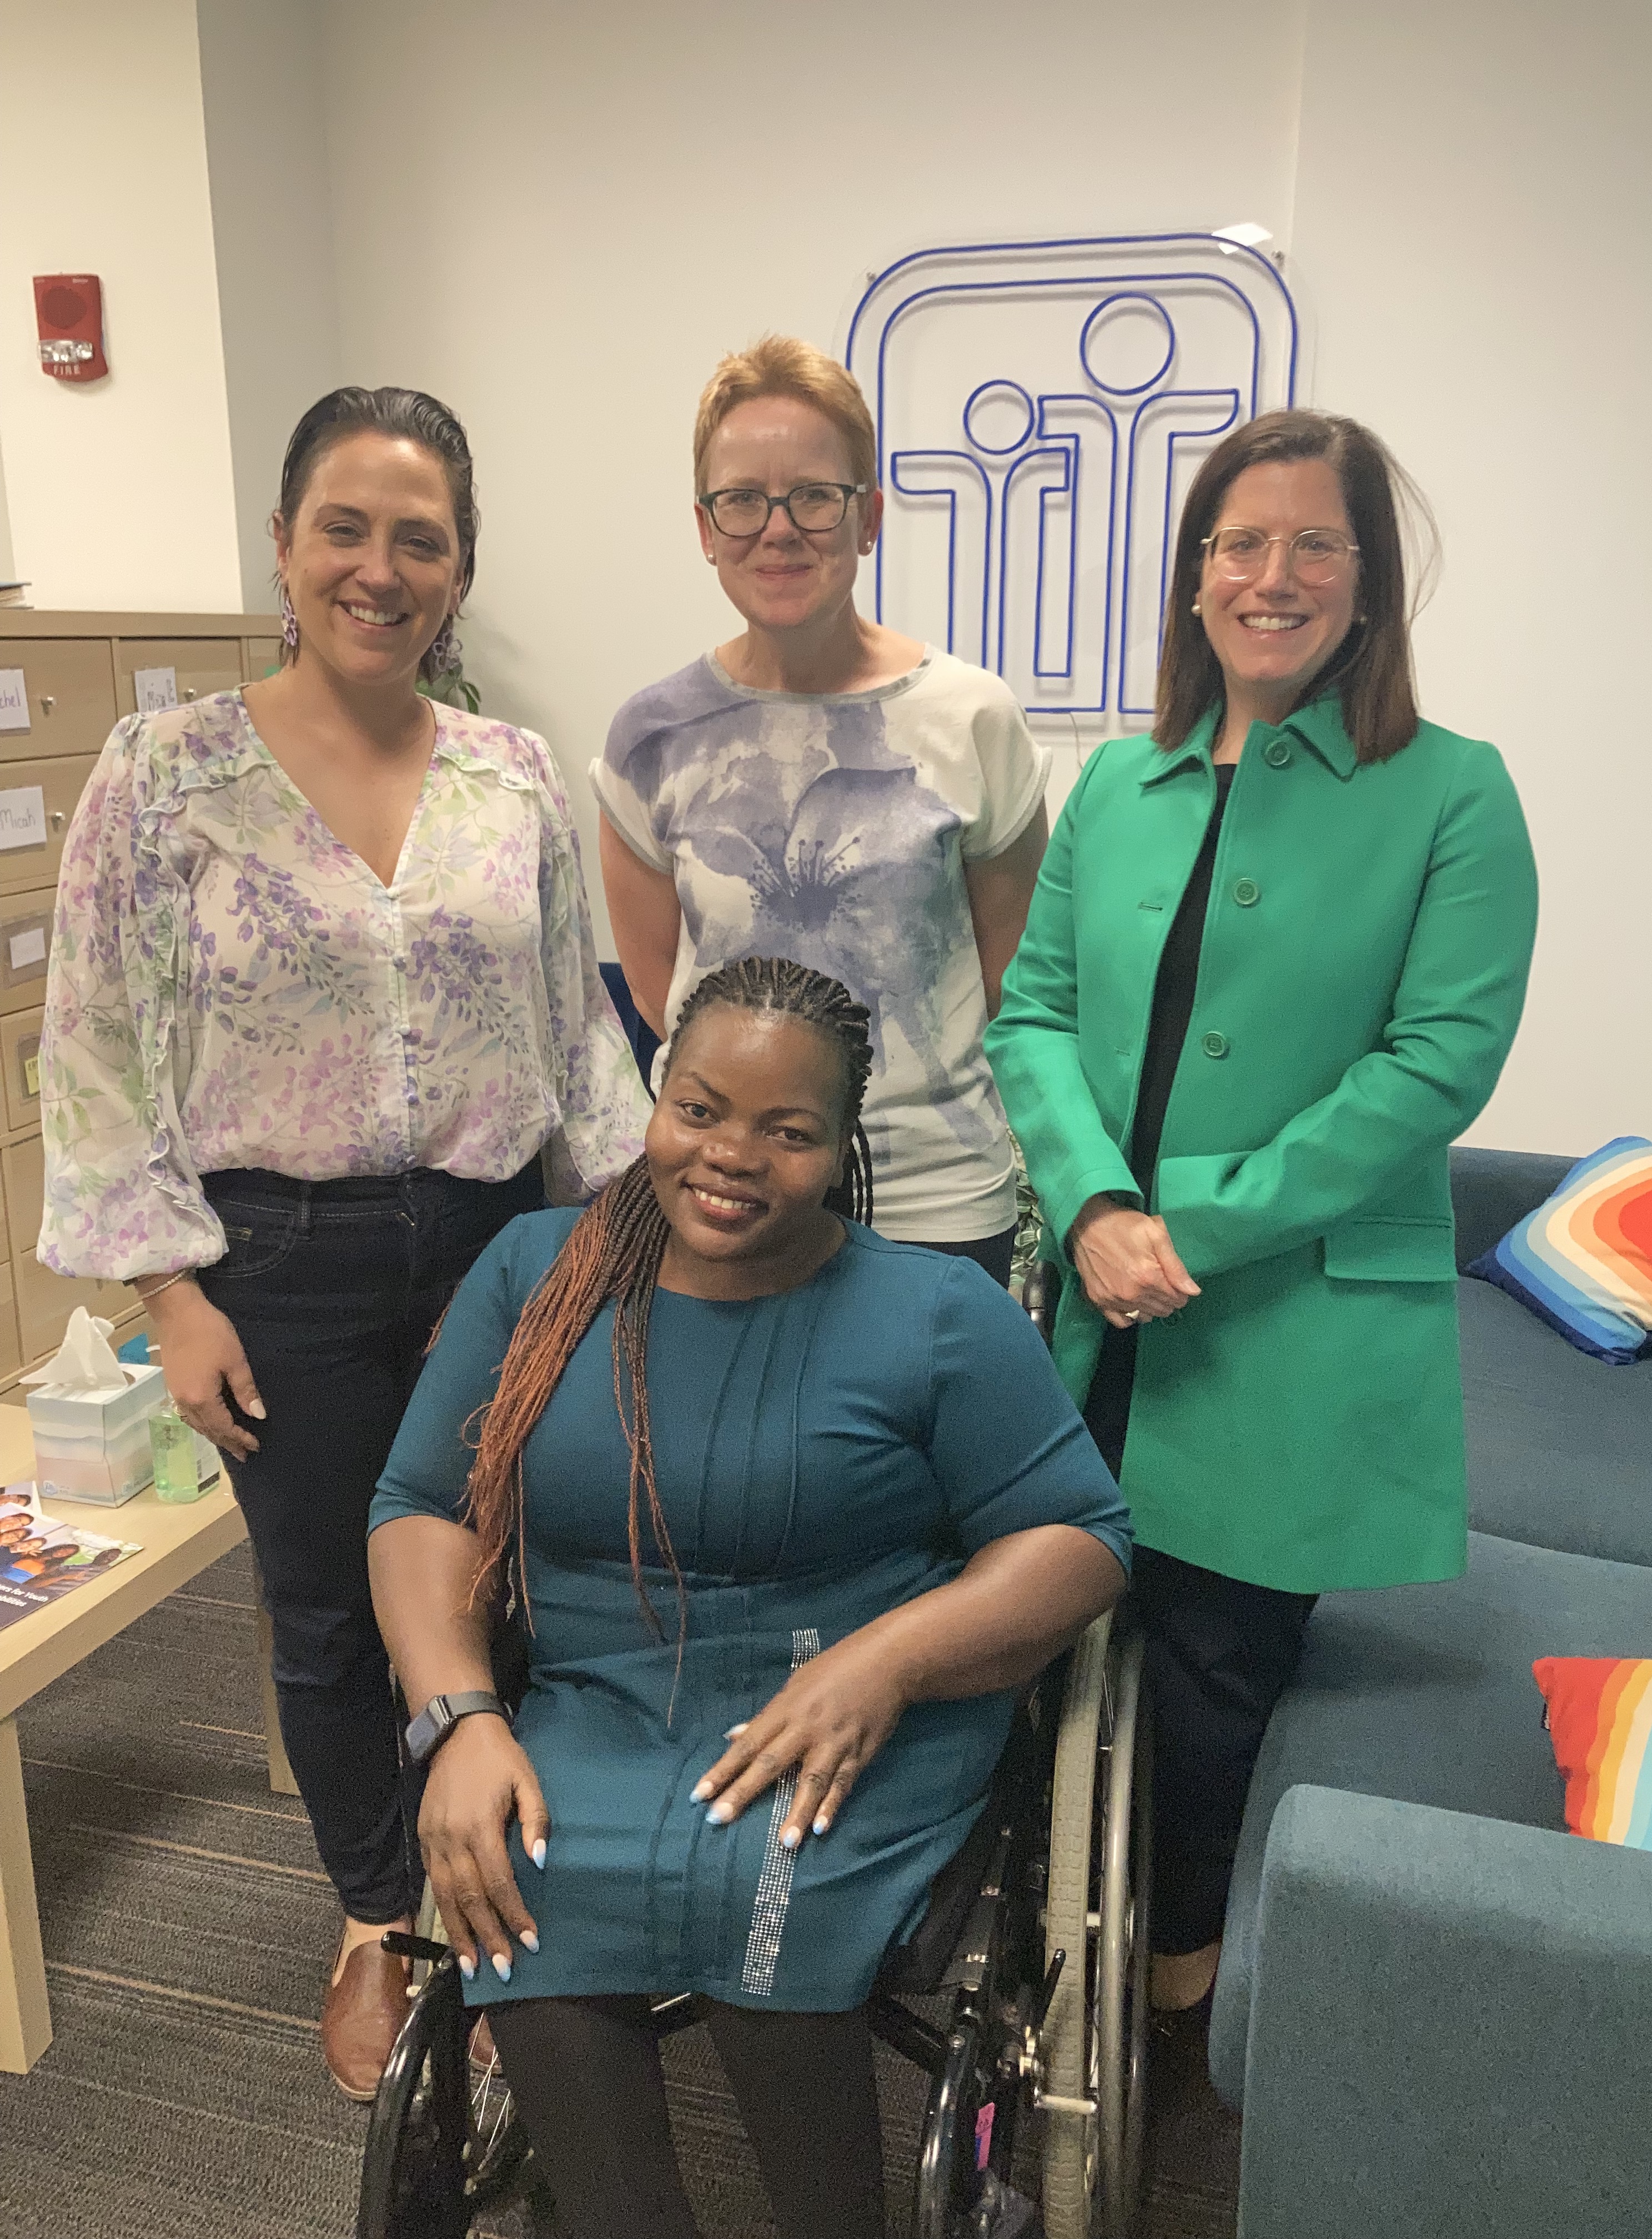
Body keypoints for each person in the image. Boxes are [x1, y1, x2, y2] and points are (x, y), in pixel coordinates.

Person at [37, 385, 649, 2099]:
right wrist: (169, 1291)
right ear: (287, 545)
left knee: (491, 1574)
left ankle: (494, 1857)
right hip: (270, 1266)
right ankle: (382, 1912)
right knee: (321, 1605)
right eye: (346, 529)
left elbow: (576, 1037)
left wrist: (621, 1249)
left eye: (422, 539)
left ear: (461, 571)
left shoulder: (514, 776)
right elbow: (90, 1044)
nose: (382, 569)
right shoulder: (163, 775)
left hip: (488, 1247)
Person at [369, 956, 1130, 2239]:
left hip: (856, 1701)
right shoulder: (538, 1274)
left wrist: (888, 1662)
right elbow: (424, 1509)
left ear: (842, 1149)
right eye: (702, 1108)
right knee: (517, 1872)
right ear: (655, 1098)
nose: (732, 1155)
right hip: (597, 1695)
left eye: (789, 1130)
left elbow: (1081, 1538)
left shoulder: (932, 1312)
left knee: (769, 1883)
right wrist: (461, 1720)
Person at [986, 409, 1539, 2021]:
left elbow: (1437, 1067)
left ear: (1369, 583)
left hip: (1285, 1307)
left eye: (1314, 544)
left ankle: (1177, 1971)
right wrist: (1092, 1201)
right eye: (1239, 542)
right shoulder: (1118, 784)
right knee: (1032, 1613)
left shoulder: (1450, 794)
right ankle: (1021, 1922)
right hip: (1093, 1294)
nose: (1271, 574)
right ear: (1195, 574)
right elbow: (1029, 1016)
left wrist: (1196, 1224)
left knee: (1219, 1671)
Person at [592, 336, 1049, 1287]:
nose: (779, 528)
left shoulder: (970, 719)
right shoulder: (652, 736)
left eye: (815, 495)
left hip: (933, 1194)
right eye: (743, 500)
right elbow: (657, 992)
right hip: (728, 1197)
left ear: (868, 515)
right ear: (706, 526)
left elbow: (1014, 981)